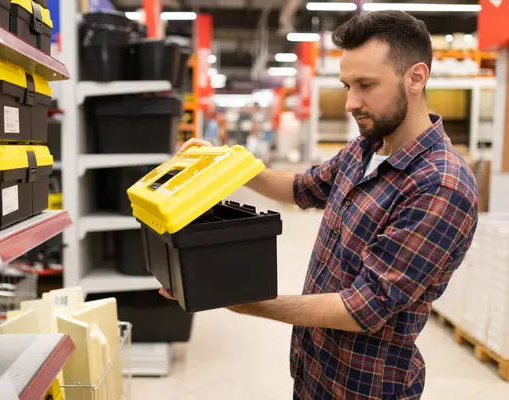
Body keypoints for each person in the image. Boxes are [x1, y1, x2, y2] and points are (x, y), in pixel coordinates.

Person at [160, 10, 479, 399]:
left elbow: (364, 308)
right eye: (347, 85)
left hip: (364, 387)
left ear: (416, 77)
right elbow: (300, 187)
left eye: (365, 85)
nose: (350, 102)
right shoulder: (367, 147)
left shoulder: (440, 186)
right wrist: (229, 165)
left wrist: (245, 302)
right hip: (314, 368)